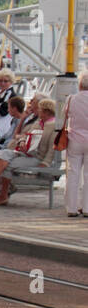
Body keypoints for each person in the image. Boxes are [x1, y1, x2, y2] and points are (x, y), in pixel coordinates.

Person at [0, 97, 58, 205]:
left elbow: (53, 147)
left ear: (46, 111)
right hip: (26, 153)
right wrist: (22, 143)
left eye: (40, 110)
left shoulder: (53, 126)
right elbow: (25, 136)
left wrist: (45, 163)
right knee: (6, 154)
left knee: (8, 164)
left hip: (38, 157)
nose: (38, 112)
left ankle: (3, 194)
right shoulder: (38, 123)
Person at [64, 72, 88, 217]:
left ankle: (71, 208)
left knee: (73, 173)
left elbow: (64, 115)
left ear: (80, 85)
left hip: (75, 140)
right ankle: (87, 208)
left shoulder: (71, 99)